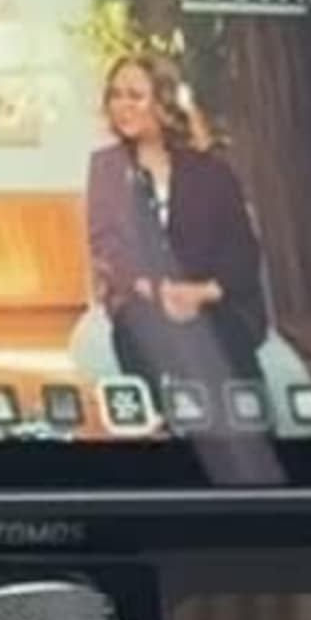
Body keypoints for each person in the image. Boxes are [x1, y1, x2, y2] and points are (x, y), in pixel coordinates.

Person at [87, 48, 273, 416]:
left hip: (213, 299)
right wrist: (159, 291)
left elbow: (242, 252)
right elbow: (106, 245)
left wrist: (200, 293)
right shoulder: (105, 166)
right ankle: (166, 430)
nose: (122, 105)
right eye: (115, 94)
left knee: (232, 378)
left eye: (135, 95)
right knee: (139, 334)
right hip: (144, 299)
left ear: (164, 102)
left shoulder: (211, 171)